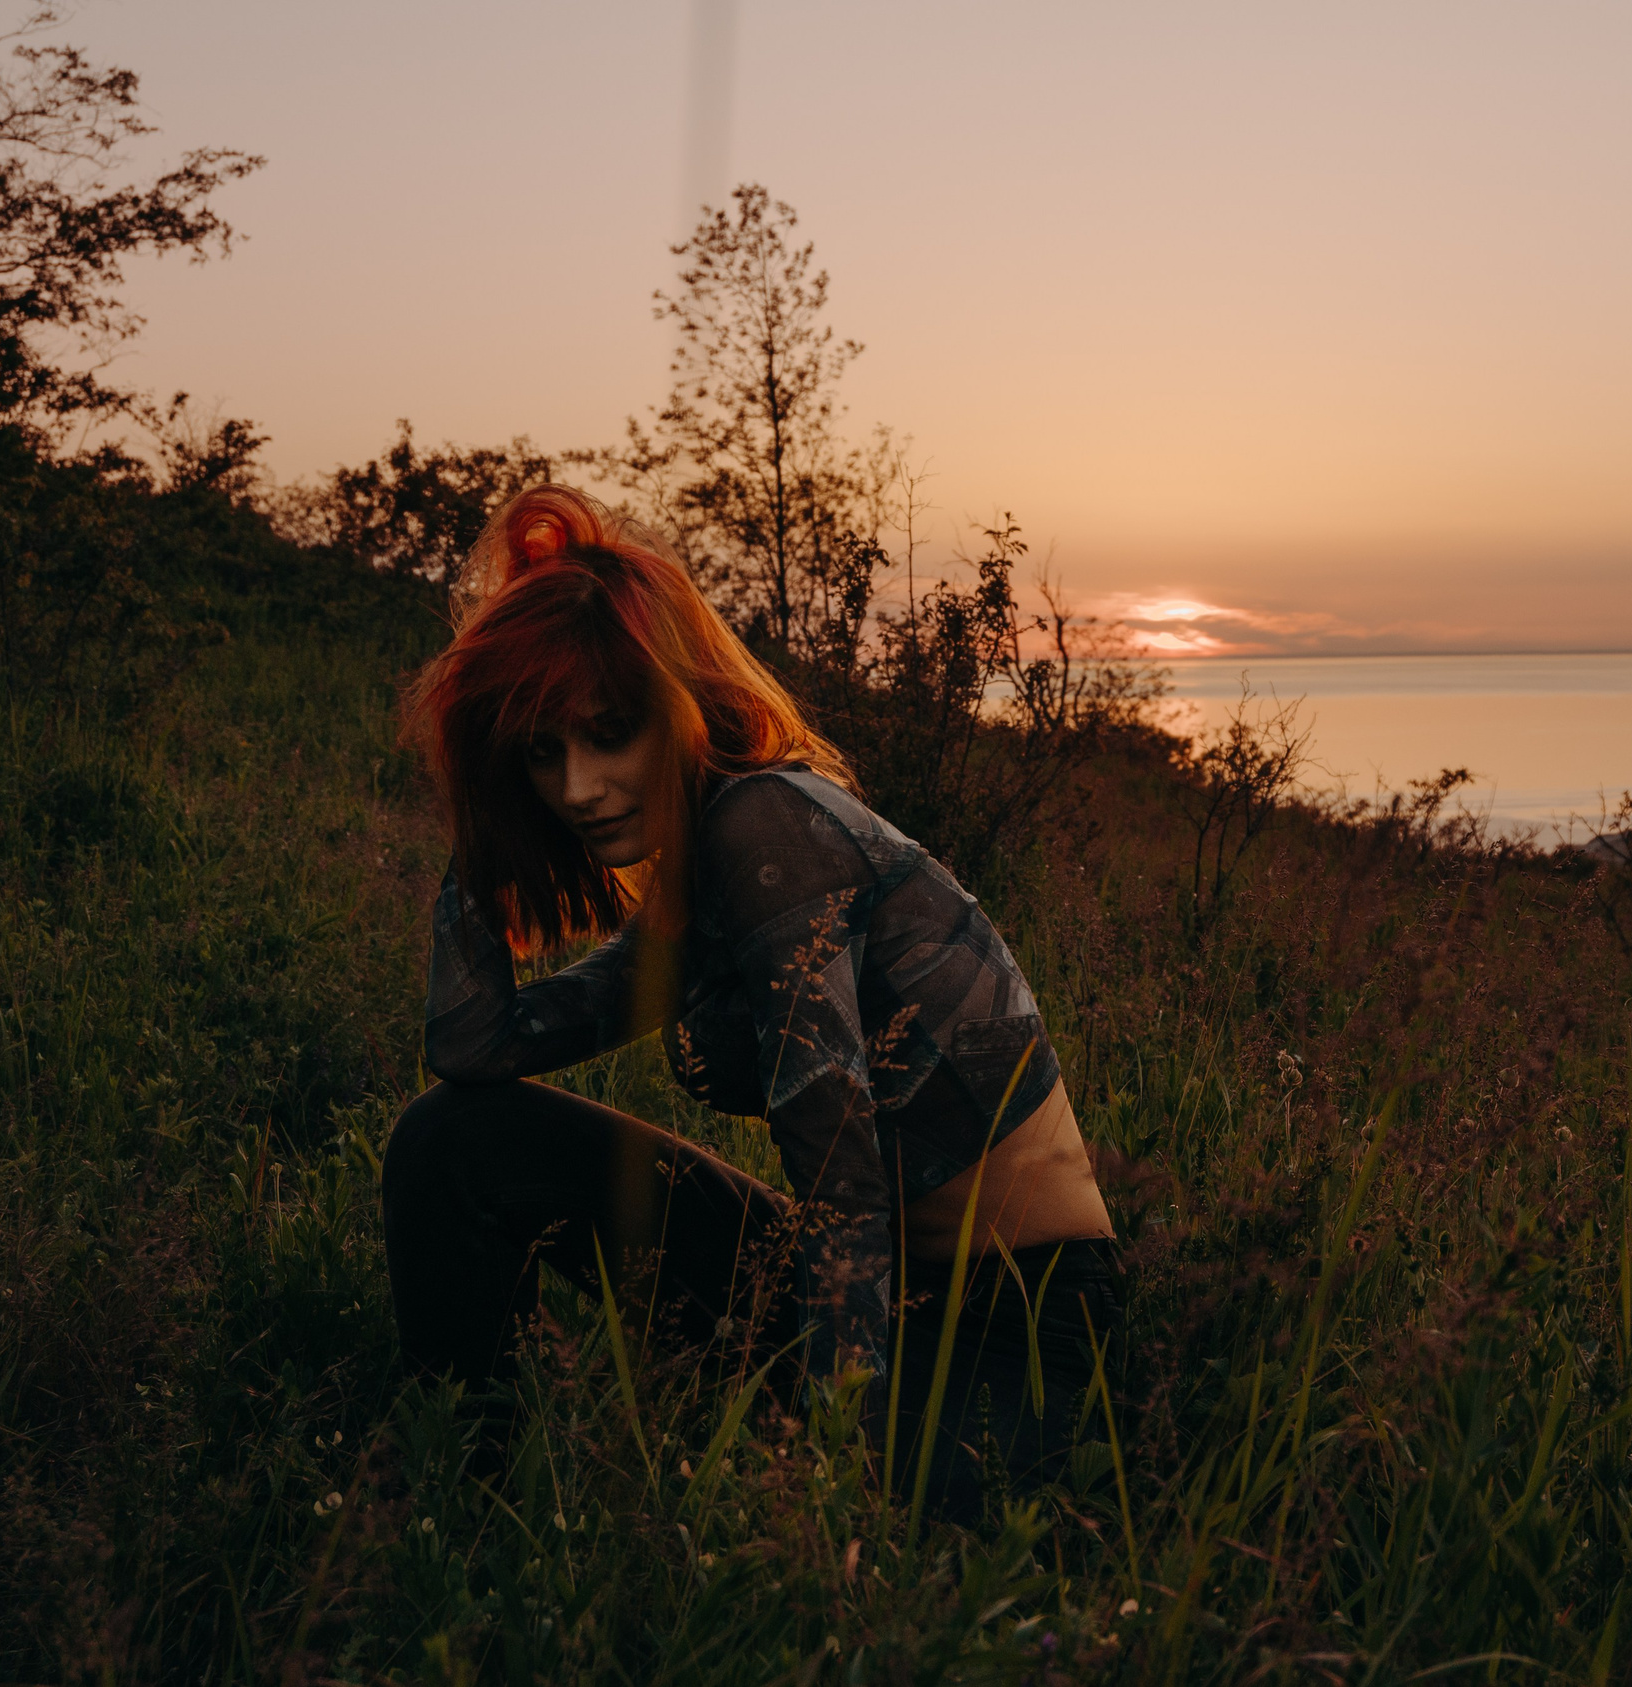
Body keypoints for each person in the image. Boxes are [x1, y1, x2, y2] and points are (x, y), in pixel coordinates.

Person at [380, 485, 1119, 1519]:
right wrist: (486, 818)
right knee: (451, 1141)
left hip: (1012, 1319)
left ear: (680, 702)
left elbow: (842, 1174)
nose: (580, 787)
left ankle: (858, 1466)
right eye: (542, 752)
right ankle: (467, 1516)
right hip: (865, 1283)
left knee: (937, 1567)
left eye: (608, 731)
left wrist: (827, 1473)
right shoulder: (700, 880)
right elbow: (475, 1046)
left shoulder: (771, 830)